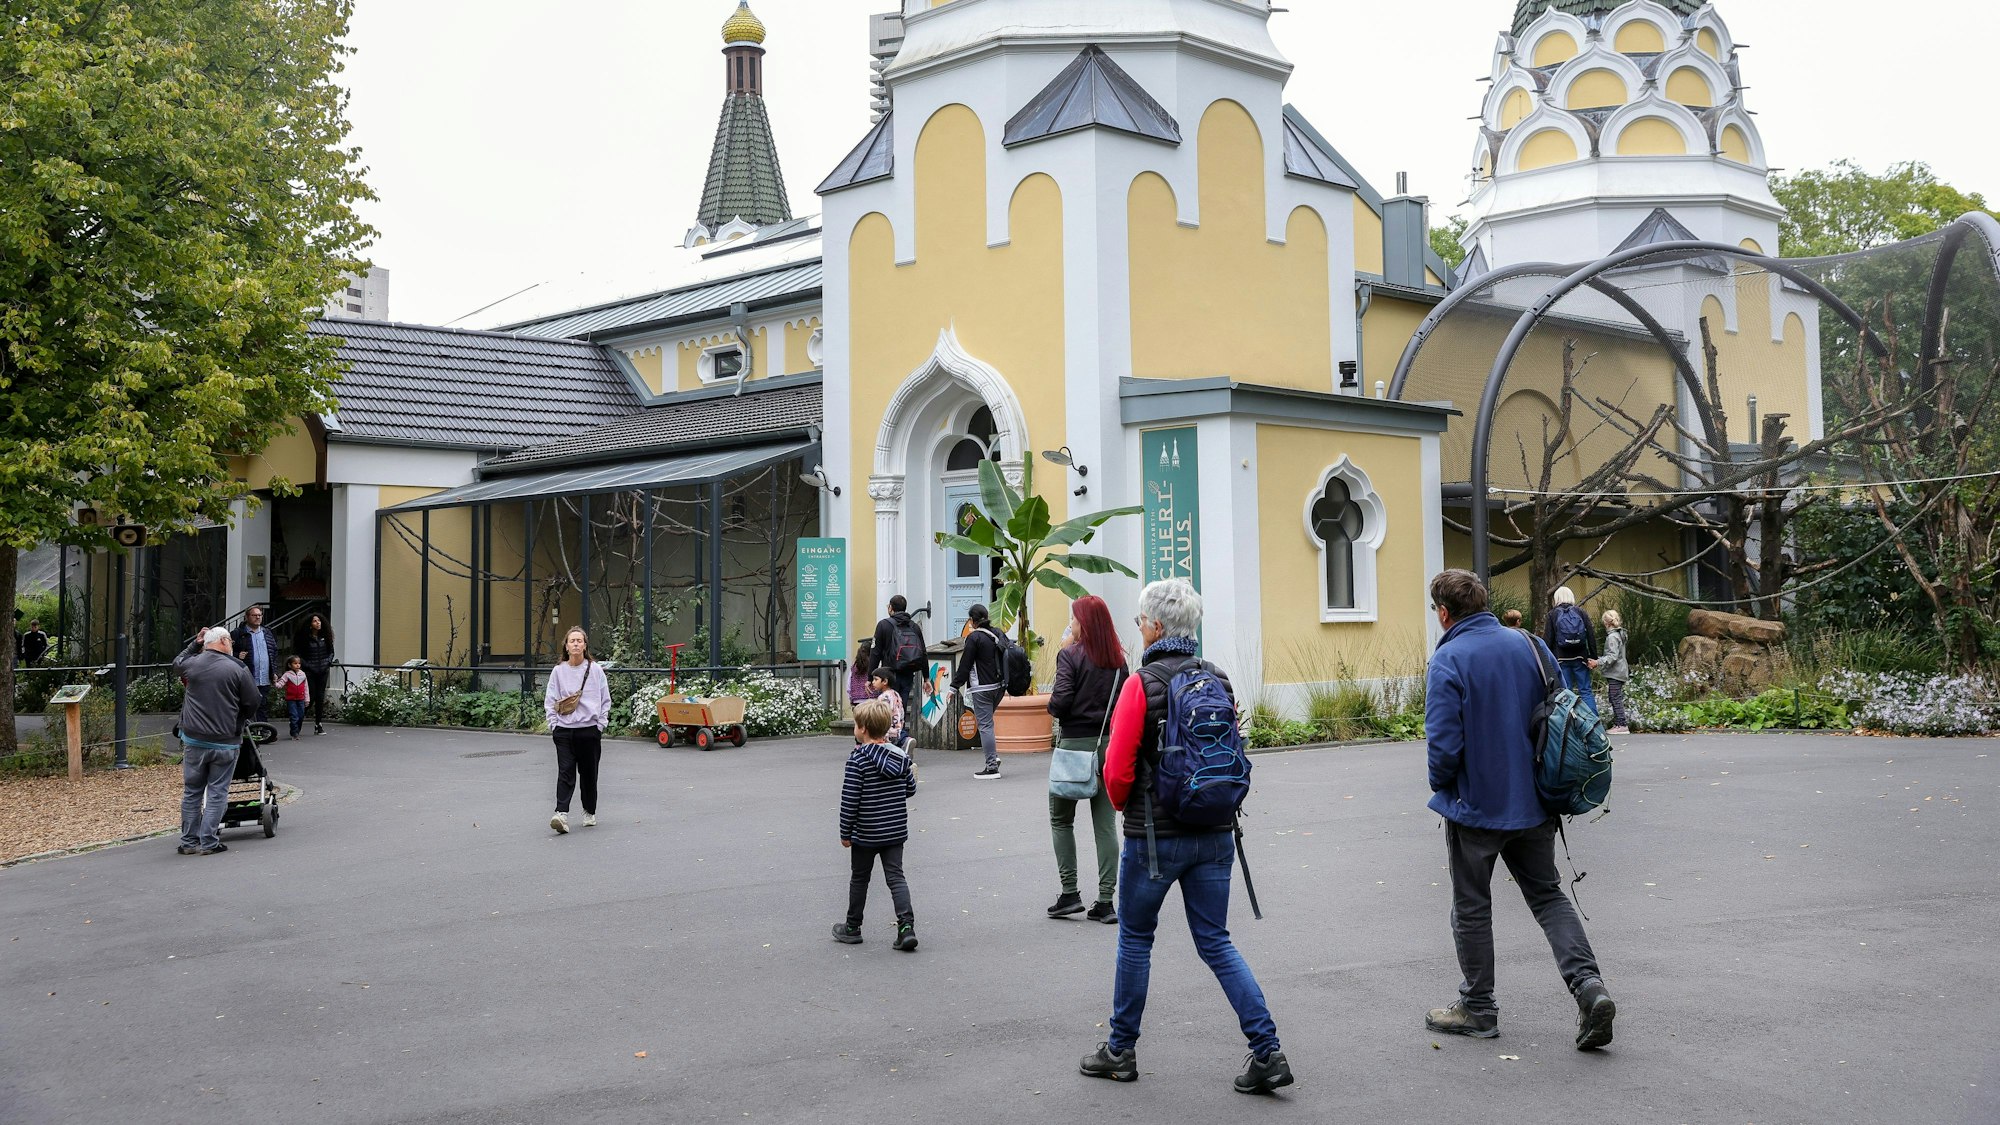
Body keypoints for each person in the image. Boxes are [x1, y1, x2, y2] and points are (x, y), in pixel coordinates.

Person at [1082, 579, 1292, 1094]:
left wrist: (1126, 809)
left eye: (1140, 622)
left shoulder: (1141, 683)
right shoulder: (1217, 677)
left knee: (1135, 937)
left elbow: (1117, 770)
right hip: (1217, 832)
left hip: (1155, 839)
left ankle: (1120, 1050)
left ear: (1155, 626)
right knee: (1216, 941)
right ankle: (1267, 1051)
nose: (1139, 629)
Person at [1423, 568, 1616, 1050]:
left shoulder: (1449, 659)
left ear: (1444, 613)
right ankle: (1589, 988)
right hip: (1535, 799)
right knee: (1548, 897)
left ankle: (1478, 1008)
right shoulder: (1530, 644)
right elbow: (1559, 708)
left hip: (1476, 807)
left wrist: (1442, 786)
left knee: (1471, 907)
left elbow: (1444, 748)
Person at [1045, 595, 1123, 924]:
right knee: (1105, 825)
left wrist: (1051, 707)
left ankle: (1069, 894)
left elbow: (1060, 702)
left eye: (1075, 619)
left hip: (1075, 746)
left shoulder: (1070, 655)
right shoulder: (1119, 661)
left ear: (1085, 624)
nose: (1072, 624)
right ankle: (1106, 902)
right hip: (1108, 745)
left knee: (1061, 819)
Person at [833, 698, 919, 951]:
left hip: (866, 832)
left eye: (855, 725)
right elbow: (910, 789)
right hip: (894, 830)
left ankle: (852, 927)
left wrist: (845, 832)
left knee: (860, 879)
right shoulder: (899, 756)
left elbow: (850, 800)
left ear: (864, 730)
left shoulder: (857, 760)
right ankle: (906, 927)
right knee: (896, 877)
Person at [173, 626, 261, 855]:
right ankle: (209, 842)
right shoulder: (238, 668)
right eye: (230, 641)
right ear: (223, 641)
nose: (232, 644)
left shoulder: (193, 664)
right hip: (225, 740)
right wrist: (239, 720)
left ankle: (188, 842)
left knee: (192, 791)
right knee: (217, 792)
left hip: (194, 739)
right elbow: (253, 701)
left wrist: (195, 643)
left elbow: (177, 662)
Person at [543, 626, 610, 834]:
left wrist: (600, 725)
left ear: (585, 645)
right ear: (566, 645)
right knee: (565, 772)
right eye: (572, 641)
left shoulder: (595, 670)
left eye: (579, 641)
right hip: (564, 730)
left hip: (589, 730)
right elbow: (550, 699)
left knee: (589, 774)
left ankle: (589, 811)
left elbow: (605, 699)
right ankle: (560, 813)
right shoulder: (558, 671)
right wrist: (554, 724)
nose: (575, 644)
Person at [952, 604, 1005, 780]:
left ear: (973, 621)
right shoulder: (997, 634)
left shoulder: (974, 638)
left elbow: (965, 665)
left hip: (981, 688)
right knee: (988, 723)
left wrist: (953, 686)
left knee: (985, 725)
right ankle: (993, 756)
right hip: (999, 687)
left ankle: (991, 767)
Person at [869, 596, 927, 729]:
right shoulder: (914, 626)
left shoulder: (883, 625)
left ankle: (887, 737)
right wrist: (926, 677)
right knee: (901, 707)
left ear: (891, 608)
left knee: (885, 708)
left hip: (888, 675)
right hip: (907, 673)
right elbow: (923, 652)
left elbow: (875, 652)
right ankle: (901, 736)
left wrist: (870, 677)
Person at [1541, 587, 1599, 716]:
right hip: (1580, 658)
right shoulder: (1581, 612)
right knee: (1586, 691)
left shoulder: (1552, 614)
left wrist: (1547, 659)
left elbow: (1548, 639)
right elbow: (1590, 634)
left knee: (1566, 692)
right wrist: (1593, 657)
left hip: (1561, 659)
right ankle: (1594, 722)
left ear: (1556, 598)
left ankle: (1571, 724)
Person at [231, 606, 279, 722]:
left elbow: (274, 652)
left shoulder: (267, 632)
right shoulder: (238, 634)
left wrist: (274, 671)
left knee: (262, 705)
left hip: (264, 677)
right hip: (247, 677)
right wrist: (237, 655)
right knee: (247, 705)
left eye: (260, 615)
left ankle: (263, 730)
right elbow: (227, 653)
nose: (258, 617)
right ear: (247, 617)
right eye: (254, 615)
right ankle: (246, 730)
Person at [293, 614, 335, 735]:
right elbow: (299, 655)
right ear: (310, 625)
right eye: (315, 621)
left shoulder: (325, 637)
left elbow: (331, 652)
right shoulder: (304, 639)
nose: (318, 623)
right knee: (310, 697)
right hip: (310, 671)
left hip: (323, 671)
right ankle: (299, 720)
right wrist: (308, 666)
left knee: (320, 697)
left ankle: (318, 724)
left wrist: (327, 663)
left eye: (319, 621)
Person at [1599, 609, 1631, 735]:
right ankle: (1619, 722)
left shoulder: (1612, 637)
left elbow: (1612, 656)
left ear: (1606, 623)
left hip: (1615, 672)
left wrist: (1598, 661)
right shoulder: (1620, 635)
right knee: (1614, 697)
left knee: (1615, 697)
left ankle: (1622, 724)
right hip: (1620, 671)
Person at [868, 668, 907, 748]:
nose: (873, 682)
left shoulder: (883, 697)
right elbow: (901, 712)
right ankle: (904, 742)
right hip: (899, 730)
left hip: (887, 733)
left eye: (876, 679)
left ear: (885, 681)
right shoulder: (896, 694)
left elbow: (880, 716)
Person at [279, 656, 311, 740]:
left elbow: (306, 687)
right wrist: (275, 683)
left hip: (301, 698)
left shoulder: (303, 674)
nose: (298, 665)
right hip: (291, 699)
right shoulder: (287, 674)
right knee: (294, 716)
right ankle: (294, 733)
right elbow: (281, 683)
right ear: (290, 665)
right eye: (295, 663)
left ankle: (297, 730)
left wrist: (307, 699)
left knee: (301, 716)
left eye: (299, 663)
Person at [847, 640, 875, 711]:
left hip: (857, 701)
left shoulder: (854, 667)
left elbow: (848, 686)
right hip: (872, 700)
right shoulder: (874, 666)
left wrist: (851, 698)